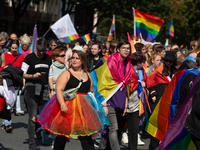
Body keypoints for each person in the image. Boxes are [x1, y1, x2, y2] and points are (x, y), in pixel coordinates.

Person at [37, 48, 106, 150]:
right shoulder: (66, 73)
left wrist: (95, 106)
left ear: (82, 60)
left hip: (84, 109)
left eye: (77, 58)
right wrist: (62, 104)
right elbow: (59, 89)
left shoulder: (87, 74)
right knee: (62, 135)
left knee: (86, 136)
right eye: (72, 58)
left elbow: (91, 91)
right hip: (68, 108)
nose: (74, 60)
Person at [98, 40, 132, 150]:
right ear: (118, 49)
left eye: (128, 48)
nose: (126, 50)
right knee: (114, 128)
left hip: (120, 100)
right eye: (124, 48)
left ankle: (102, 147)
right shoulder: (111, 61)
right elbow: (104, 81)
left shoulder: (128, 62)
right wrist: (104, 103)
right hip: (110, 100)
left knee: (109, 128)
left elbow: (127, 84)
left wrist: (126, 103)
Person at [21, 38, 53, 150]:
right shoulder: (29, 58)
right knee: (33, 116)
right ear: (36, 47)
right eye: (39, 50)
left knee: (43, 115)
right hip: (31, 89)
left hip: (43, 90)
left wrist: (51, 90)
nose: (41, 52)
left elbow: (50, 75)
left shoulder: (48, 58)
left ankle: (38, 132)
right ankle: (31, 141)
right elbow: (22, 74)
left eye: (43, 50)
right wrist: (33, 76)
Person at [146, 51, 177, 150]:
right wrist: (153, 94)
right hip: (158, 103)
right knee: (157, 129)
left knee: (168, 130)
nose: (167, 63)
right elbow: (149, 82)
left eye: (170, 61)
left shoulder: (176, 72)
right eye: (166, 60)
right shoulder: (159, 71)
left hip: (171, 104)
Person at [0, 39, 24, 132]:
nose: (14, 50)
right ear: (10, 47)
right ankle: (7, 123)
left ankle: (6, 121)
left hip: (16, 82)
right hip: (6, 81)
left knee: (11, 102)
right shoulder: (4, 55)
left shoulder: (21, 56)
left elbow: (22, 70)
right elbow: (3, 67)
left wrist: (23, 82)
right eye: (12, 48)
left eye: (16, 48)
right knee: (6, 101)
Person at [127, 52, 147, 149]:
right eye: (143, 62)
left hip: (136, 105)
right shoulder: (128, 70)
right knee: (119, 129)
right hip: (125, 104)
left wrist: (143, 84)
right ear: (138, 62)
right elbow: (128, 85)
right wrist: (138, 83)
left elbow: (145, 81)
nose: (144, 64)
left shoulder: (141, 71)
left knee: (134, 130)